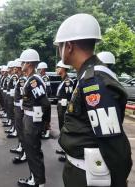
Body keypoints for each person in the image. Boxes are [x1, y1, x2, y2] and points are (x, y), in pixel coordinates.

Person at [54, 13, 132, 187]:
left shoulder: (93, 81)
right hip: (83, 170)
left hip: (88, 176)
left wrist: (118, 181)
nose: (60, 51)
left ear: (69, 46)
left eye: (60, 46)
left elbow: (113, 142)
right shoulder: (87, 76)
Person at [17, 49, 50, 187]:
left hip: (32, 122)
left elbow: (45, 103)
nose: (21, 65)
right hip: (29, 119)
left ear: (29, 63)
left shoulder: (34, 81)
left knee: (33, 152)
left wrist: (46, 123)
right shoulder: (30, 79)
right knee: (31, 151)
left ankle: (38, 182)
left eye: (23, 62)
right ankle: (34, 179)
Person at [55, 60, 74, 162]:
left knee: (65, 129)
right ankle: (64, 148)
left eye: (58, 67)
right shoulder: (63, 80)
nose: (56, 69)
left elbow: (69, 97)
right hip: (60, 106)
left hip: (64, 107)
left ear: (63, 68)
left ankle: (67, 153)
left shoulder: (68, 81)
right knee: (61, 128)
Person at [10, 58, 27, 164]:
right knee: (20, 130)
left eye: (16, 67)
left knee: (22, 131)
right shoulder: (21, 78)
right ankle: (21, 147)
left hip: (21, 108)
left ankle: (24, 152)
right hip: (18, 107)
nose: (14, 69)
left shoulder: (22, 79)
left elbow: (23, 95)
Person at [37, 62, 52, 139]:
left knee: (46, 117)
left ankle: (47, 132)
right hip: (42, 100)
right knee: (42, 117)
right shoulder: (41, 77)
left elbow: (48, 90)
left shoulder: (45, 77)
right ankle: (43, 131)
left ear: (43, 69)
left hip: (45, 100)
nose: (38, 70)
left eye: (39, 69)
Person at [6, 60, 19, 138]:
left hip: (15, 98)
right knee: (13, 114)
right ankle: (14, 128)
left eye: (14, 68)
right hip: (12, 97)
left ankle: (15, 129)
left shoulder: (15, 77)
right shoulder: (14, 76)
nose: (13, 70)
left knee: (15, 116)